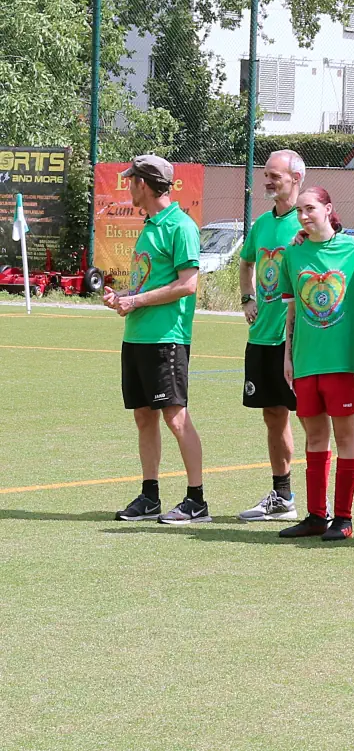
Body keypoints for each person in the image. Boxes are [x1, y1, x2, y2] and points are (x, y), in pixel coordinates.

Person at [109, 154, 208, 524]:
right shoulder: (150, 225)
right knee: (143, 416)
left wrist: (135, 301)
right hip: (137, 336)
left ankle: (197, 500)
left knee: (176, 418)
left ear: (144, 184)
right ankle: (149, 496)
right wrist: (124, 298)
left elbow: (188, 284)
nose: (127, 185)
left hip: (167, 338)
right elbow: (150, 282)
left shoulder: (180, 226)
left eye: (131, 179)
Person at [274, 187, 354, 541]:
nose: (303, 217)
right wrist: (288, 356)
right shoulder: (292, 254)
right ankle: (316, 515)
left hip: (343, 362)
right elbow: (292, 311)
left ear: (328, 209)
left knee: (345, 437)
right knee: (314, 437)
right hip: (305, 361)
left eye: (310, 209)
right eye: (299, 211)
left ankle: (343, 518)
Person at [235, 150, 304, 522]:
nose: (268, 181)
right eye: (266, 174)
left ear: (296, 178)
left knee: (312, 419)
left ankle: (323, 504)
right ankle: (283, 496)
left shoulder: (306, 221)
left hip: (296, 341)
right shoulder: (262, 224)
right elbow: (246, 261)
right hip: (262, 337)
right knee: (273, 416)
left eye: (275, 175)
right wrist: (247, 298)